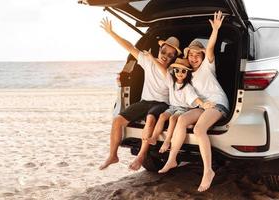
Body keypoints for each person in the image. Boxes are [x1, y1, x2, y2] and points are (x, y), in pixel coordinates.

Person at [158, 11, 229, 192]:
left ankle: (208, 171)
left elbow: (211, 47)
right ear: (187, 56)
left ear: (203, 56)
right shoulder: (186, 74)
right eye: (191, 54)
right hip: (202, 106)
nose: (194, 57)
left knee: (198, 129)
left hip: (217, 104)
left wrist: (215, 30)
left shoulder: (207, 66)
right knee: (181, 120)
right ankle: (172, 158)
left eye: (198, 54)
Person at [98, 17, 182, 170]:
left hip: (162, 103)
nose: (166, 56)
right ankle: (112, 155)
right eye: (164, 52)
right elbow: (130, 47)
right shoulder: (148, 61)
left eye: (171, 55)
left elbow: (164, 73)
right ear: (160, 49)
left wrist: (152, 59)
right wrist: (112, 33)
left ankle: (141, 155)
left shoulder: (172, 70)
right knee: (117, 120)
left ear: (174, 58)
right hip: (145, 101)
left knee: (150, 119)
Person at [146, 57, 204, 153]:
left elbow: (195, 98)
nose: (180, 73)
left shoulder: (188, 87)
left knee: (173, 119)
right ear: (174, 71)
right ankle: (154, 137)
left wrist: (203, 104)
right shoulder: (171, 82)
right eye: (177, 70)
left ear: (187, 73)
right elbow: (162, 69)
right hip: (172, 107)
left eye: (183, 71)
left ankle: (167, 141)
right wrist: (152, 58)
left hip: (183, 109)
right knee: (162, 116)